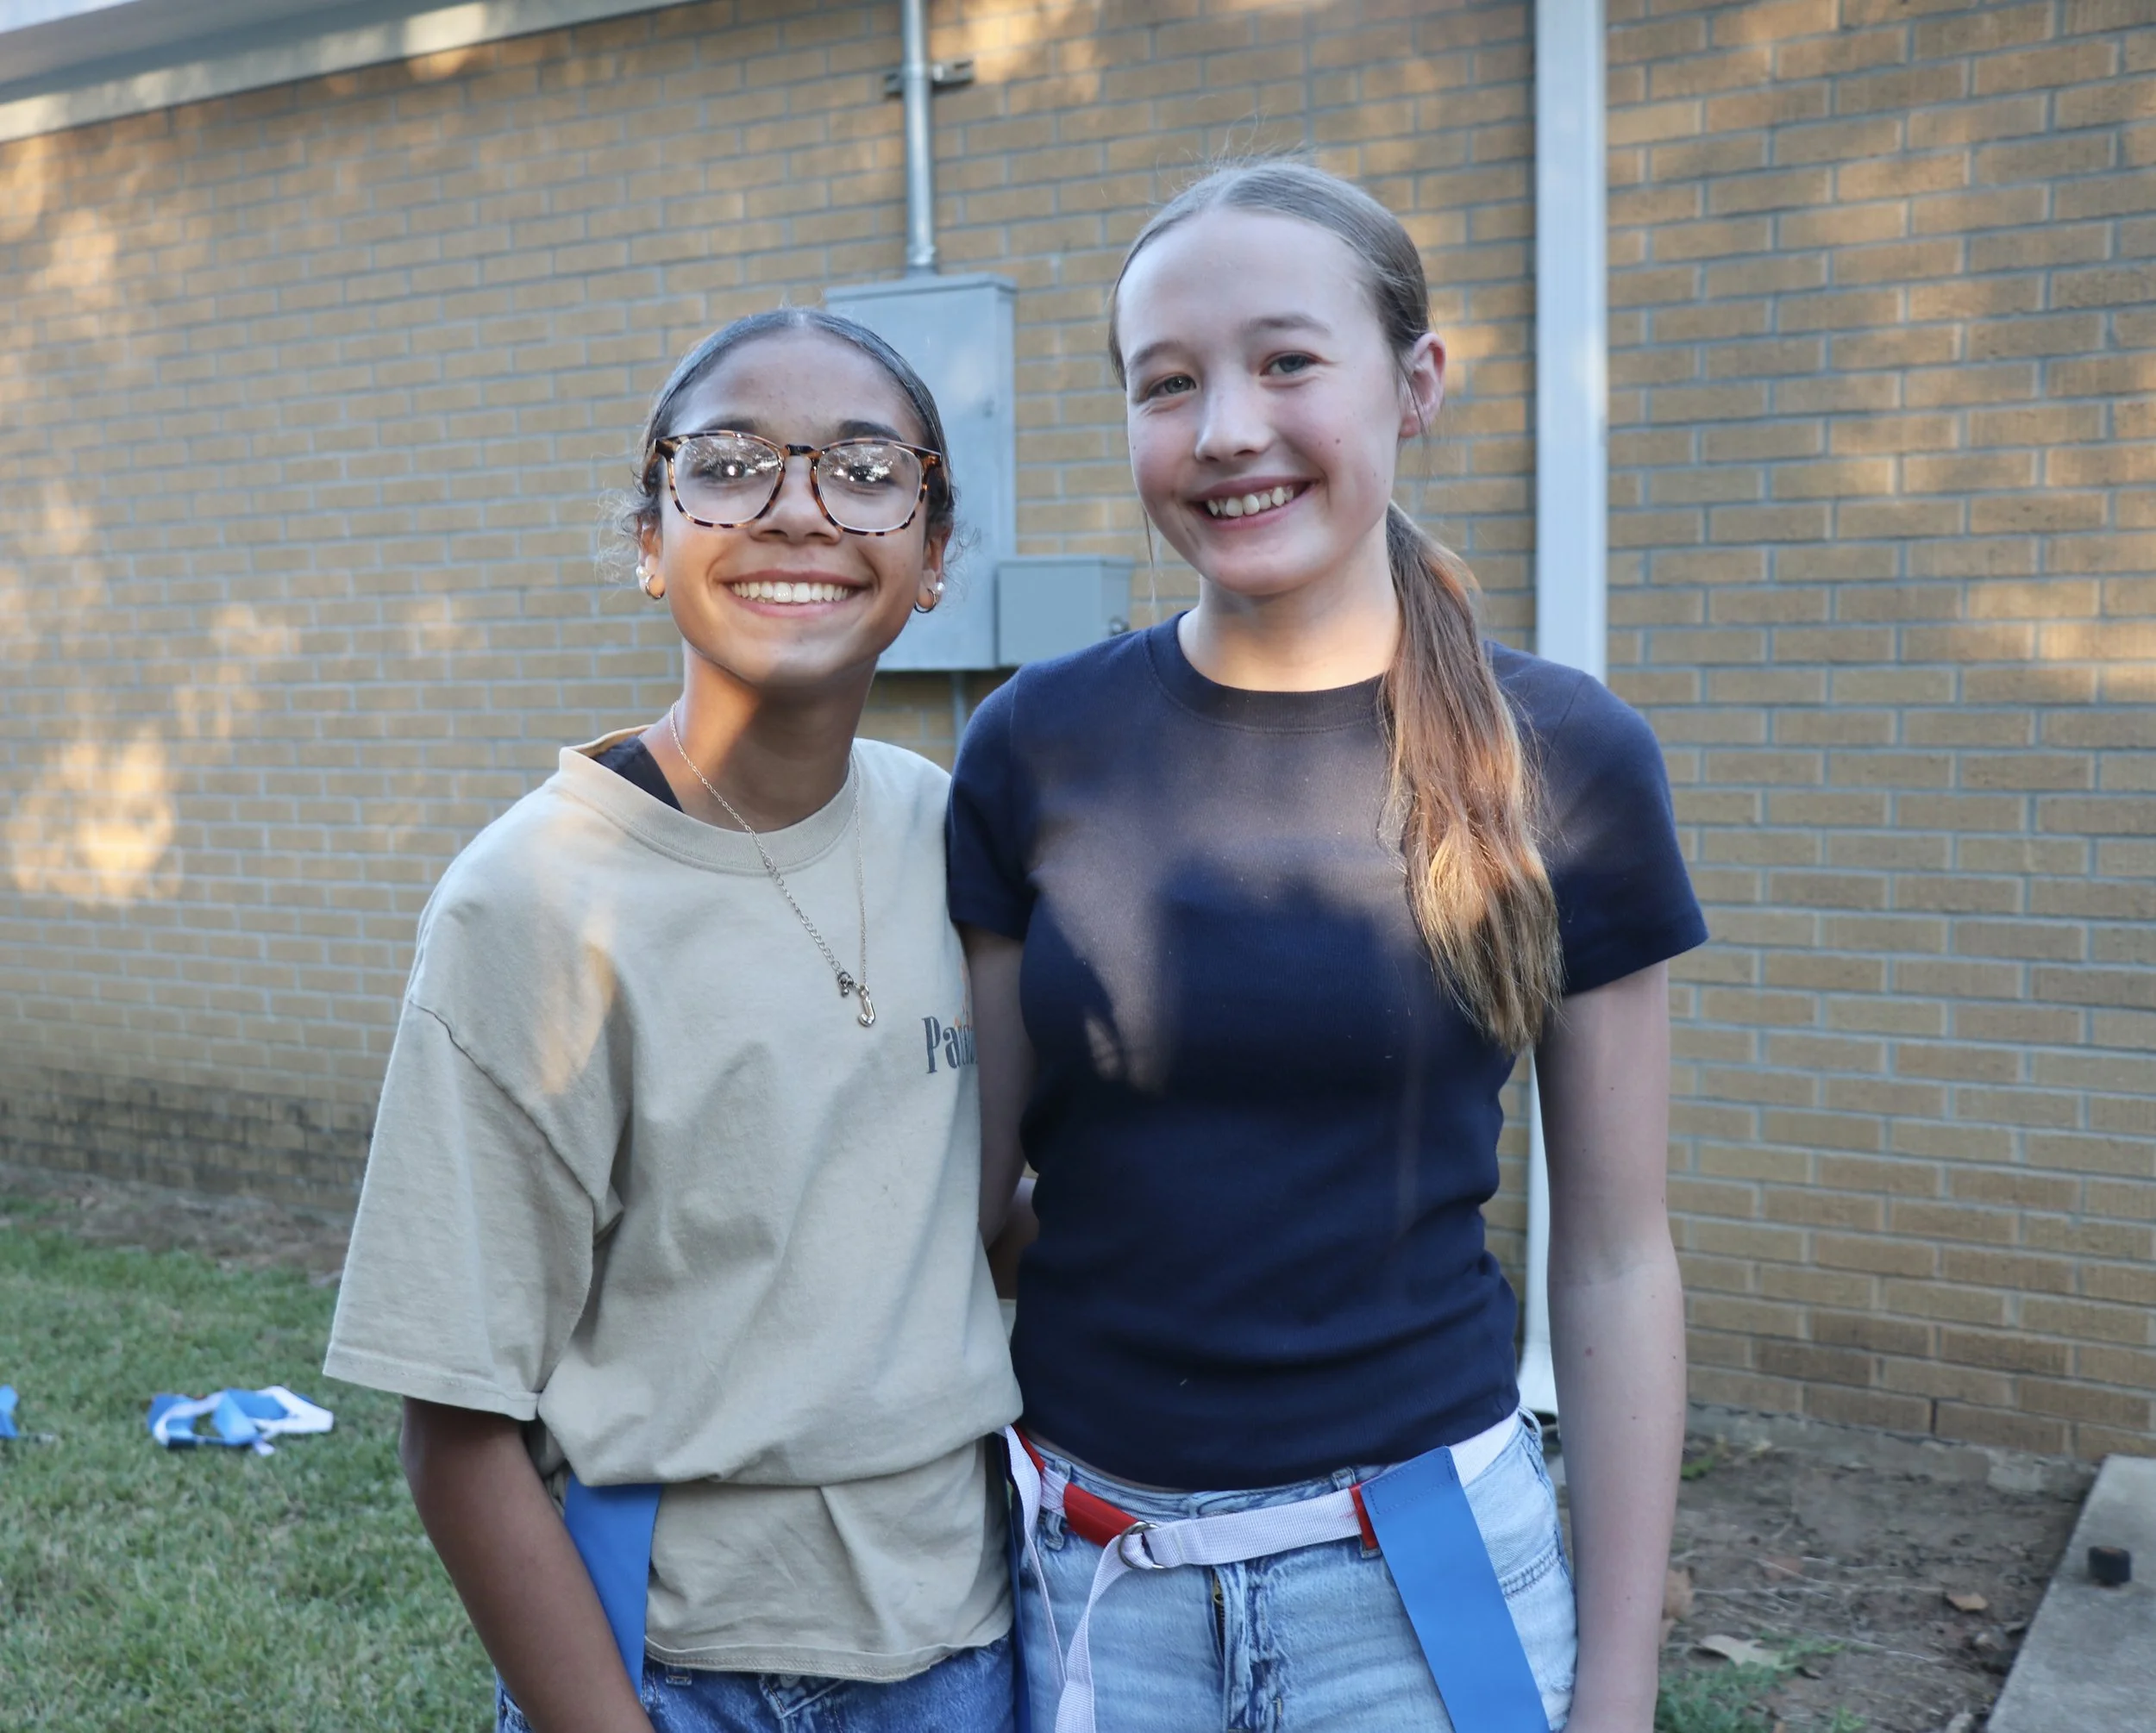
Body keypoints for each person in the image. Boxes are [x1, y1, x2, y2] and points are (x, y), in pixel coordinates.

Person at [951, 162, 1707, 1733]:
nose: (1227, 426)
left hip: (1425, 1594)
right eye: (1169, 383)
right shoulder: (1033, 746)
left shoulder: (1564, 756)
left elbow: (1621, 1253)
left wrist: (1620, 1686)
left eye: (1288, 361)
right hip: (1095, 1584)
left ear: (1414, 384)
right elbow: (967, 1203)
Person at [324, 307, 1022, 1733]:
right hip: (690, 1668)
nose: (798, 510)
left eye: (866, 468)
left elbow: (971, 1226)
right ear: (652, 537)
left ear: (934, 555)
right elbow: (456, 1426)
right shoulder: (531, 903)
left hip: (976, 1636)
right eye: (730, 464)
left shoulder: (957, 838)